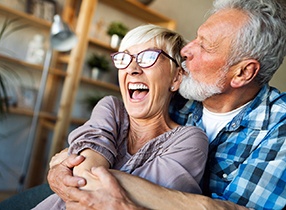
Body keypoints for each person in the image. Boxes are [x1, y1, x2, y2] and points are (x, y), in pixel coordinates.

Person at [47, 0, 286, 209]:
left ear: (243, 73)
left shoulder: (279, 128)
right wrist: (62, 167)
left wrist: (77, 166)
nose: (186, 50)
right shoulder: (178, 98)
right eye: (195, 37)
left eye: (204, 45)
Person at [32, 24, 208, 209]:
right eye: (124, 58)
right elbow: (88, 180)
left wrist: (69, 161)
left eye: (148, 57)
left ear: (176, 78)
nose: (132, 69)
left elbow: (150, 199)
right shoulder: (111, 108)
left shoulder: (190, 140)